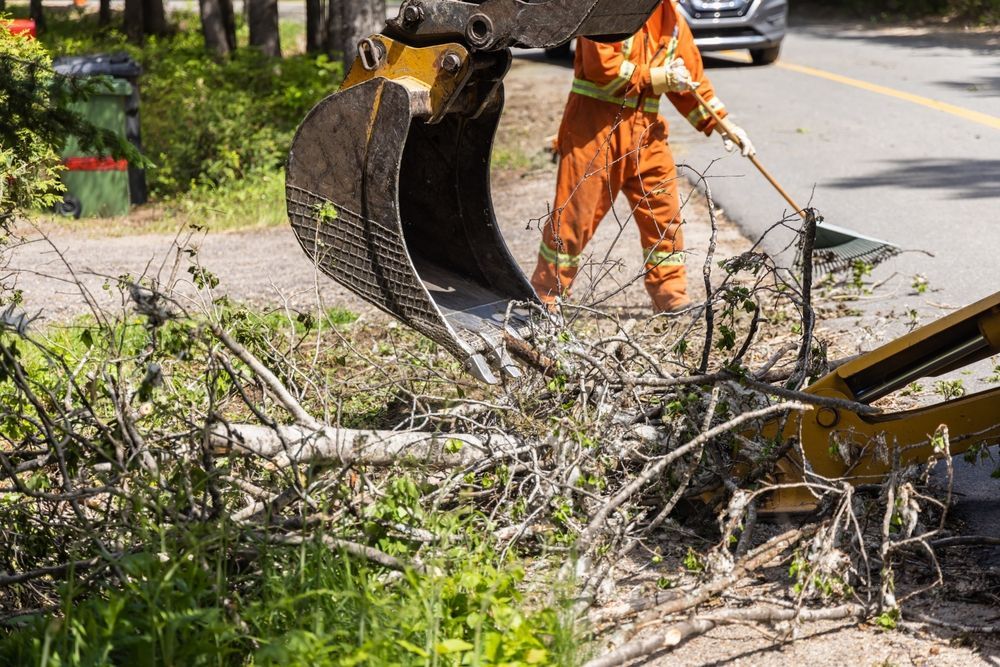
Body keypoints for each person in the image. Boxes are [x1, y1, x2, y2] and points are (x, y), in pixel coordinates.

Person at [530, 0, 756, 314]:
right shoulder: (605, 9)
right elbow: (602, 69)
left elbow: (690, 80)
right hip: (594, 132)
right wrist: (657, 77)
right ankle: (545, 296)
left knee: (664, 215)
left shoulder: (672, 18)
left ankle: (671, 298)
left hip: (646, 133)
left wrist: (724, 123)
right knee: (573, 219)